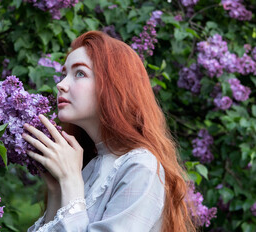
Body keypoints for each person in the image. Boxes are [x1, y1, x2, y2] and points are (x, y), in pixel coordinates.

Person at [22, 31, 197, 231]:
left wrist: (70, 181)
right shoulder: (89, 164)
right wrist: (56, 189)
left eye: (80, 73)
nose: (60, 85)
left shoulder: (140, 166)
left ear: (114, 85)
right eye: (64, 74)